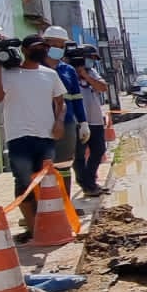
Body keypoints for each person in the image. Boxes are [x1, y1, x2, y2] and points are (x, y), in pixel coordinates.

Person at [0, 34, 65, 242]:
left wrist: (59, 122)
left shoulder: (50, 74)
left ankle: (48, 224)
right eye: (37, 47)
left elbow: (60, 102)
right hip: (19, 137)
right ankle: (34, 229)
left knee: (45, 183)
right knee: (23, 182)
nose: (42, 51)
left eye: (44, 47)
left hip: (45, 136)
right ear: (25, 50)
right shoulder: (8, 74)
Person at [41, 26, 89, 193]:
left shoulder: (67, 70)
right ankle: (43, 209)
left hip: (67, 121)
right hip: (40, 123)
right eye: (55, 44)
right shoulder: (35, 68)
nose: (58, 49)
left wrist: (83, 122)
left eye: (62, 46)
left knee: (63, 164)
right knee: (42, 166)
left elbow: (76, 98)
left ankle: (65, 204)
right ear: (45, 44)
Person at [72, 50, 109, 197]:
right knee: (79, 155)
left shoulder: (91, 72)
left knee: (99, 150)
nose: (91, 62)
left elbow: (102, 87)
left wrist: (86, 76)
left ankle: (89, 180)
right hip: (77, 121)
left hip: (95, 119)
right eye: (90, 58)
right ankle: (87, 184)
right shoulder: (67, 71)